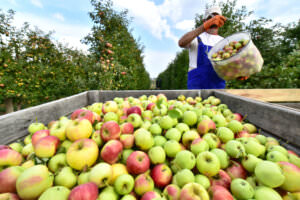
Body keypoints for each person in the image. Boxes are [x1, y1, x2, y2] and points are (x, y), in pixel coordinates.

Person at [178, 6, 227, 89]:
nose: (214, 21)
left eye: (217, 18)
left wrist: (237, 73)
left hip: (218, 86)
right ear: (204, 21)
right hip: (197, 86)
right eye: (211, 18)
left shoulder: (224, 41)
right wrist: (203, 27)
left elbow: (228, 64)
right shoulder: (196, 38)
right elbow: (181, 43)